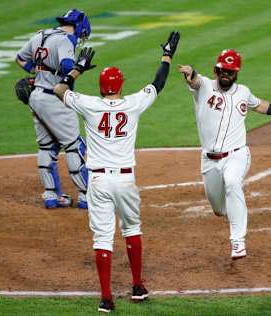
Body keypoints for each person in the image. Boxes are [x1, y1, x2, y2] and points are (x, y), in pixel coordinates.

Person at [54, 31, 180, 313]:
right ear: (121, 85)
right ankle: (137, 286)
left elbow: (59, 90)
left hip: (98, 181)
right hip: (125, 179)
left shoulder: (89, 104)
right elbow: (157, 84)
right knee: (132, 229)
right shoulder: (132, 103)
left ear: (100, 87)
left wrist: (76, 69)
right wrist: (167, 55)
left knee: (102, 238)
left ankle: (106, 298)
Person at [178, 49, 271, 260]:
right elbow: (194, 81)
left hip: (236, 155)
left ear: (237, 73)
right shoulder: (205, 86)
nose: (226, 74)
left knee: (233, 182)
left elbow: (259, 105)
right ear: (216, 70)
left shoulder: (243, 92)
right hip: (209, 160)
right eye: (223, 70)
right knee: (219, 209)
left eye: (230, 71)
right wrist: (190, 73)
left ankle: (238, 242)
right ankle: (235, 214)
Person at [15, 9, 91, 209]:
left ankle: (51, 195)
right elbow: (67, 66)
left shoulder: (40, 34)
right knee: (75, 145)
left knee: (47, 146)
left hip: (36, 97)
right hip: (55, 99)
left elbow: (20, 58)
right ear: (79, 26)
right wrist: (78, 68)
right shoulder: (65, 40)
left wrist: (39, 71)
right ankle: (87, 196)